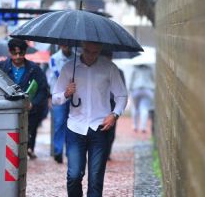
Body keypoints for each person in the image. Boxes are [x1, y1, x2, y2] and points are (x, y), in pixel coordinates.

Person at [52, 41, 128, 197]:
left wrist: (115, 114)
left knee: (95, 179)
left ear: (100, 50)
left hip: (100, 128)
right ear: (81, 48)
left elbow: (121, 95)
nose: (90, 56)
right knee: (74, 175)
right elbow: (55, 99)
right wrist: (66, 94)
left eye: (95, 52)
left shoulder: (109, 68)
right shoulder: (69, 68)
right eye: (87, 51)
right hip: (75, 128)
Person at [0, 38, 49, 159]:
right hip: (7, 111)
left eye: (21, 53)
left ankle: (28, 149)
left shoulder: (34, 69)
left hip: (29, 112)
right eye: (15, 53)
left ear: (25, 52)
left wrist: (33, 104)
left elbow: (43, 90)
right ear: (10, 52)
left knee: (27, 134)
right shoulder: (1, 67)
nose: (18, 57)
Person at [46, 45, 74, 163]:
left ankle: (70, 152)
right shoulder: (54, 58)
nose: (66, 46)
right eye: (63, 43)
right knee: (59, 123)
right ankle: (58, 151)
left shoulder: (77, 58)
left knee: (72, 125)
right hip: (59, 95)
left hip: (74, 96)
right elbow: (57, 75)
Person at [129, 64, 155, 133]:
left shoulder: (134, 68)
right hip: (148, 90)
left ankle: (135, 125)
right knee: (145, 108)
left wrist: (129, 91)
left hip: (136, 89)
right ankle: (143, 127)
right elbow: (153, 80)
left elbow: (131, 80)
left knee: (135, 108)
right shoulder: (150, 69)